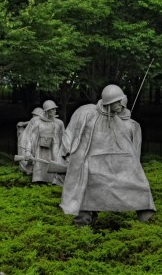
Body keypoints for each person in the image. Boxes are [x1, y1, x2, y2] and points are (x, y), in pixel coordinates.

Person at [60, 84, 155, 226]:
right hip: (88, 164)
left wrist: (132, 164)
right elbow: (70, 133)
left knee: (139, 184)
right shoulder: (86, 112)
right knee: (86, 192)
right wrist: (66, 153)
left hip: (111, 164)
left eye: (120, 101)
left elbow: (127, 147)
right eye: (117, 102)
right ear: (108, 102)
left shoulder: (119, 120)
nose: (120, 105)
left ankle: (145, 215)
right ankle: (83, 222)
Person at [17, 100, 65, 184]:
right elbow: (29, 138)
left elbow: (64, 140)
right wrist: (28, 151)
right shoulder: (36, 121)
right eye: (52, 109)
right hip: (39, 151)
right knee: (39, 169)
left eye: (55, 109)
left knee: (53, 168)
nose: (55, 111)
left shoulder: (59, 123)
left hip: (54, 151)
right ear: (47, 111)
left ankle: (54, 181)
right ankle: (39, 181)